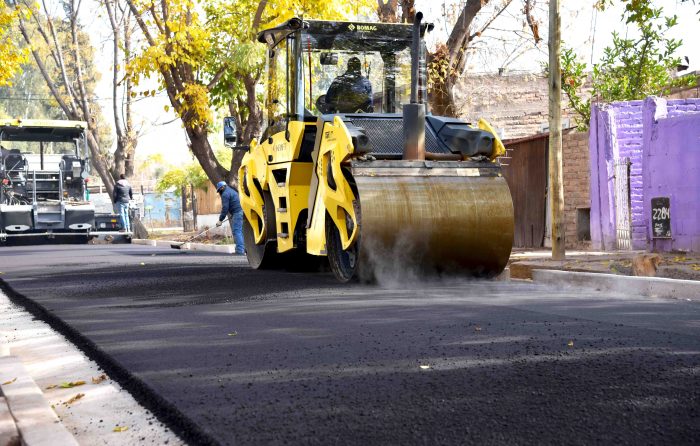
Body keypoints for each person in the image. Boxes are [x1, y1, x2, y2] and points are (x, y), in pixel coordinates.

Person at [215, 181, 245, 255]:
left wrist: (220, 220)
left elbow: (225, 208)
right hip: (240, 212)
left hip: (237, 213)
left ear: (222, 187)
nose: (219, 192)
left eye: (219, 190)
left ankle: (240, 250)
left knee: (237, 231)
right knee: (240, 231)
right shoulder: (231, 191)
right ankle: (242, 249)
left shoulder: (225, 194)